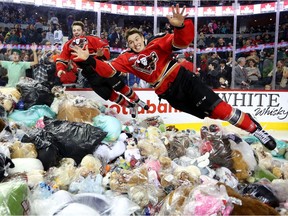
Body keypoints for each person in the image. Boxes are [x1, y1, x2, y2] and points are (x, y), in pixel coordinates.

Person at [70, 4, 277, 151]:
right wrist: (89, 60)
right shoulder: (126, 58)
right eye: (130, 42)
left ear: (143, 38)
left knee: (219, 109)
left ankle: (255, 130)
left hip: (183, 79)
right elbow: (108, 70)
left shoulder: (157, 43)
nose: (134, 43)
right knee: (210, 114)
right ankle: (248, 121)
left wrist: (181, 26)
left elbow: (182, 41)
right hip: (168, 93)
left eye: (136, 39)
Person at [56, 21, 149, 118]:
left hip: (101, 67)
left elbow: (105, 47)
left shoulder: (92, 39)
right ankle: (130, 106)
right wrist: (60, 69)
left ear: (83, 31)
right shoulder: (68, 45)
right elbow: (62, 58)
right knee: (110, 95)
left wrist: (101, 55)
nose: (76, 32)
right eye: (74, 30)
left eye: (78, 30)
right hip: (89, 75)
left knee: (120, 86)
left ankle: (138, 101)